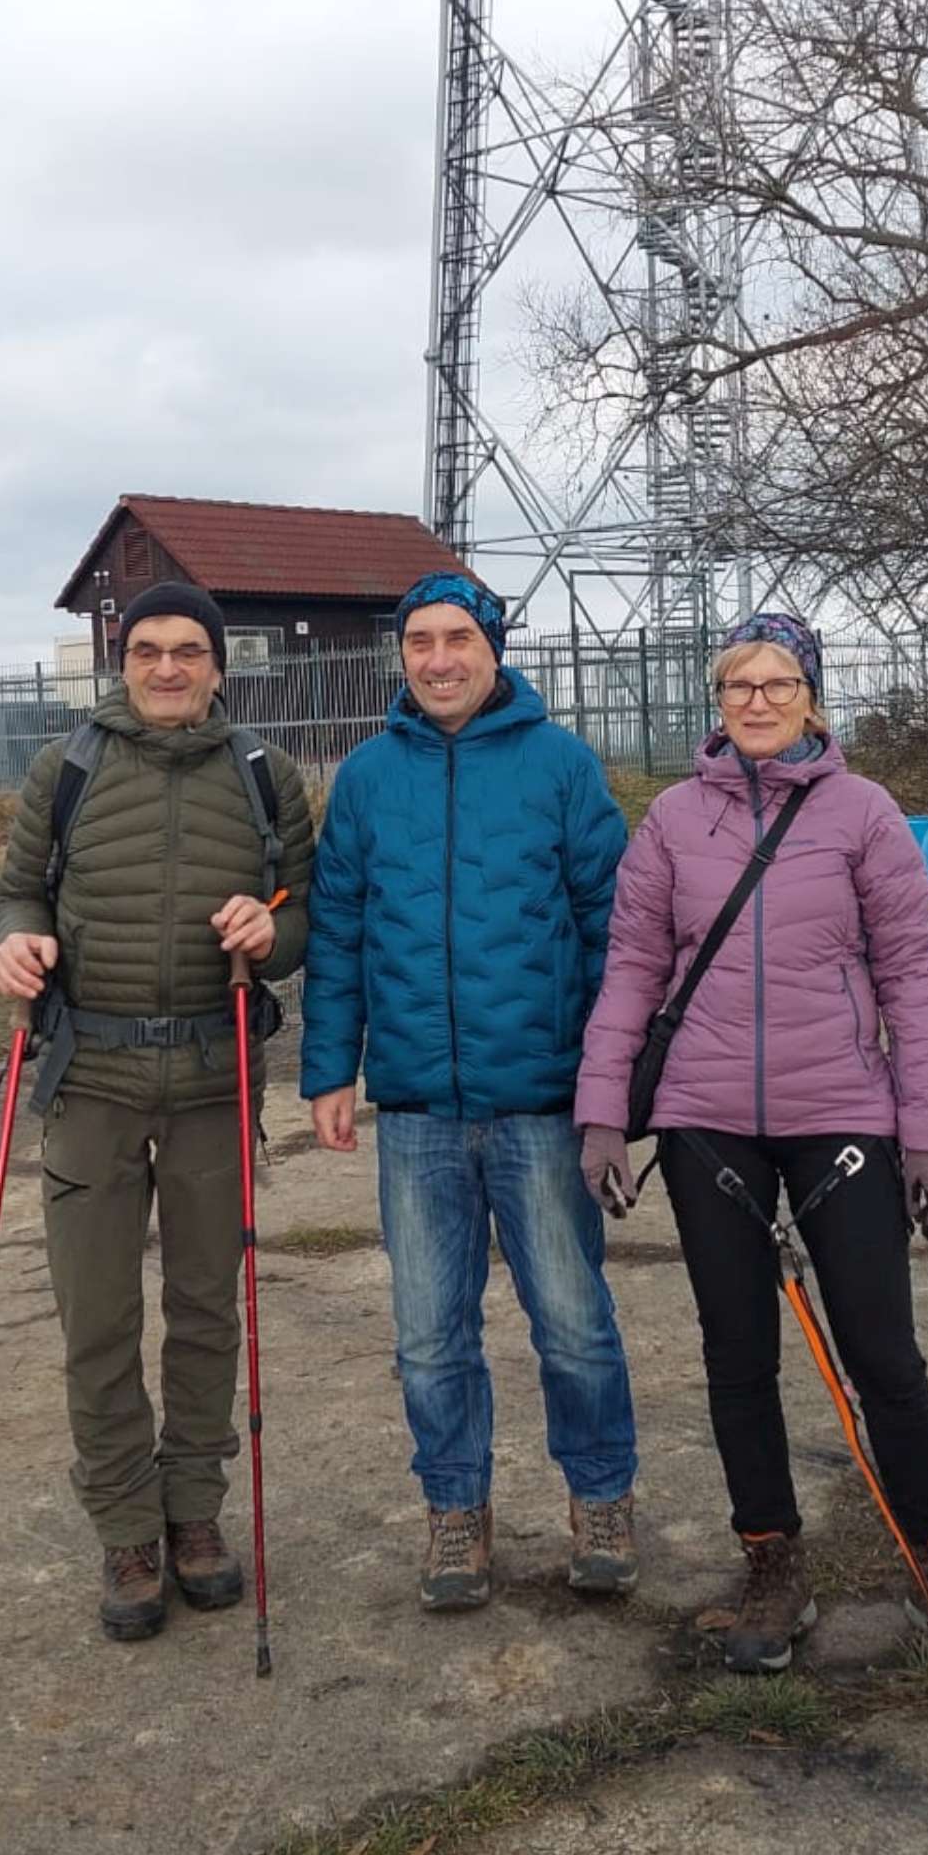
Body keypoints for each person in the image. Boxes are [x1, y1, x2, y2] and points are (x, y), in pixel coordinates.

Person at [574, 610, 928, 1674]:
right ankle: (771, 1560)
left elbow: (911, 982)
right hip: (706, 1124)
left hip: (843, 1117)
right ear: (718, 700)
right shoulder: (671, 820)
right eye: (739, 685)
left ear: (811, 697)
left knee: (881, 1350)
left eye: (779, 683)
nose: (757, 702)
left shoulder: (865, 815)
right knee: (737, 1354)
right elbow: (632, 971)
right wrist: (603, 1111)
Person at [300, 571, 638, 1611]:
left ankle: (601, 1497)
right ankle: (456, 1510)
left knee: (572, 1323)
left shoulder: (561, 765)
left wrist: (612, 1079)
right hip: (417, 1112)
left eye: (458, 639)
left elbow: (615, 930)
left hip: (541, 1102)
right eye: (420, 642)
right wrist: (331, 1069)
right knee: (428, 1336)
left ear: (494, 649)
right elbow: (338, 932)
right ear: (401, 655)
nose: (439, 660)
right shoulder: (366, 778)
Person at [0, 580, 314, 1641]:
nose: (167, 668)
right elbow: (18, 890)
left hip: (215, 1081)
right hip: (90, 1080)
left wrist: (272, 933)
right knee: (98, 1319)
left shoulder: (264, 776)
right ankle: (127, 1529)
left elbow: (303, 914)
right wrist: (16, 941)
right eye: (146, 651)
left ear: (219, 668)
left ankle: (194, 1514)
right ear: (121, 662)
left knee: (207, 1310)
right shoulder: (66, 767)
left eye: (188, 651)